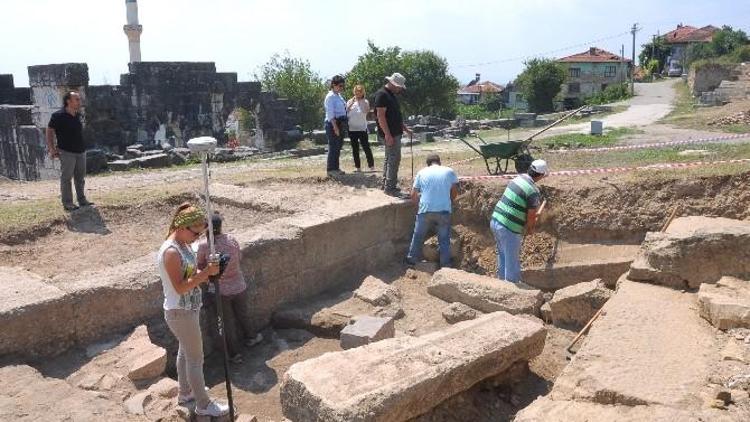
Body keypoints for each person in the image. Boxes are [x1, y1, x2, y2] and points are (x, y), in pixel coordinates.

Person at [157, 203, 229, 417]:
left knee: (185, 351)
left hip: (187, 309)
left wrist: (210, 268)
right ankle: (204, 405)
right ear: (182, 226)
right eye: (195, 233)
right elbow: (180, 287)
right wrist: (206, 272)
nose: (197, 238)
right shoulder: (171, 252)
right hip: (180, 311)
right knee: (196, 359)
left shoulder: (183, 244)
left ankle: (186, 392)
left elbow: (190, 271)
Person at [196, 212, 262, 365]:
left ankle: (234, 354)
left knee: (227, 324)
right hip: (239, 286)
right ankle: (252, 337)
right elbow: (239, 257)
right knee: (243, 315)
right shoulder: (231, 240)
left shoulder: (204, 246)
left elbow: (200, 266)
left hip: (220, 291)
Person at [490, 160, 549, 283]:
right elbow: (531, 216)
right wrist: (530, 228)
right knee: (512, 262)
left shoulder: (517, 179)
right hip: (508, 227)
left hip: (496, 220)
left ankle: (501, 284)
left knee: (503, 255)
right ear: (540, 175)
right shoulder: (533, 191)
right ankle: (512, 290)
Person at [406, 154, 459, 268]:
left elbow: (413, 194)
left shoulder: (421, 172)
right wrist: (449, 201)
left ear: (428, 164)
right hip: (444, 210)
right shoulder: (449, 171)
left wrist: (419, 207)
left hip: (425, 209)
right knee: (444, 239)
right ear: (439, 162)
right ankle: (445, 265)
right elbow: (454, 191)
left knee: (418, 235)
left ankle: (411, 260)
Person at [46, 91, 93, 211]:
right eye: (76, 99)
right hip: (66, 151)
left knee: (80, 178)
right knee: (66, 178)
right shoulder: (58, 115)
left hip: (80, 151)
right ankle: (68, 203)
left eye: (79, 99)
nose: (79, 101)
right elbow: (49, 131)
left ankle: (82, 200)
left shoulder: (77, 115)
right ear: (68, 101)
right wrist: (52, 148)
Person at [374, 72, 413, 196]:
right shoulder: (382, 95)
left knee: (389, 158)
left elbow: (395, 116)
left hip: (395, 132)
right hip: (390, 134)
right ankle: (390, 188)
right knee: (394, 159)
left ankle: (386, 184)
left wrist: (405, 129)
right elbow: (380, 116)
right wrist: (387, 134)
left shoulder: (391, 95)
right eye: (398, 86)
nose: (400, 89)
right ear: (392, 83)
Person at [323, 75, 347, 177]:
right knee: (333, 146)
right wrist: (335, 127)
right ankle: (331, 169)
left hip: (340, 122)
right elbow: (330, 114)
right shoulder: (330, 97)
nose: (342, 88)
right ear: (334, 85)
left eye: (343, 86)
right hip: (333, 123)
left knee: (338, 147)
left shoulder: (339, 96)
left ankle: (336, 168)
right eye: (340, 86)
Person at [347, 84, 374, 172]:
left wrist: (361, 101)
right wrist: (351, 104)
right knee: (355, 149)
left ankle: (371, 166)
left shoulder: (365, 101)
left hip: (362, 128)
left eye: (359, 92)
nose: (357, 94)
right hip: (352, 129)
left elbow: (366, 111)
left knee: (366, 147)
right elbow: (346, 111)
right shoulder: (350, 101)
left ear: (362, 93)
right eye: (356, 92)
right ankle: (358, 167)